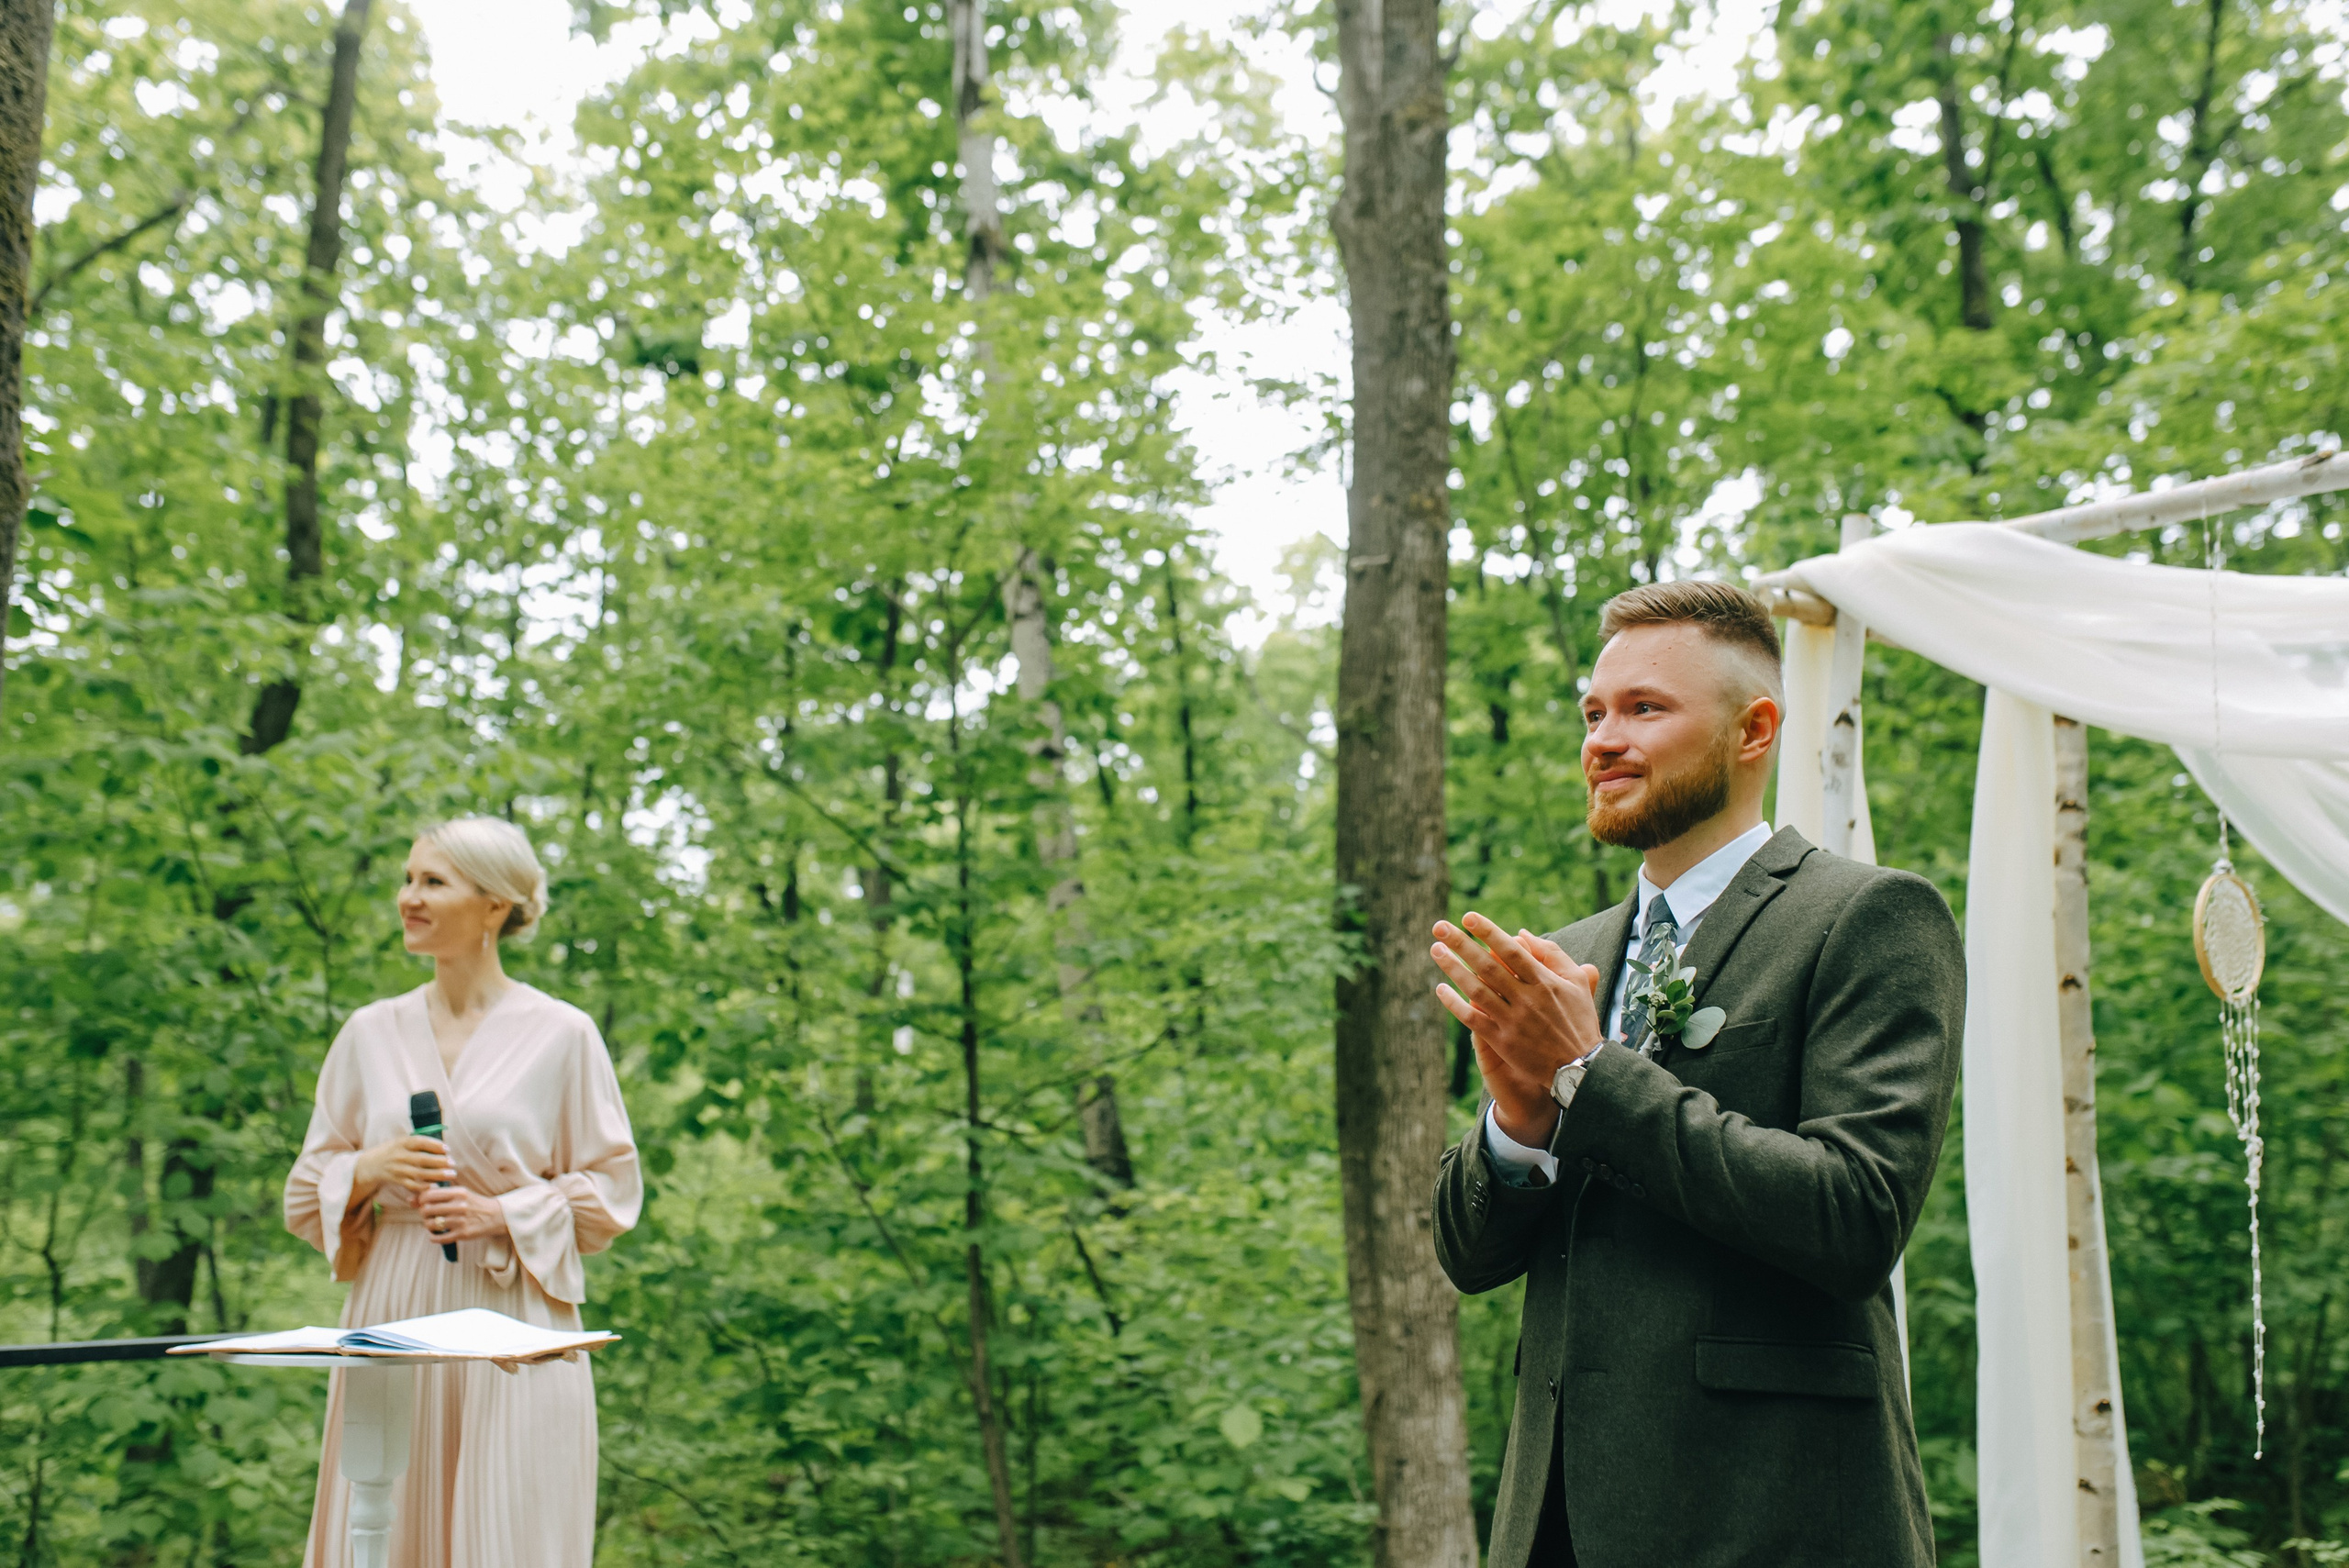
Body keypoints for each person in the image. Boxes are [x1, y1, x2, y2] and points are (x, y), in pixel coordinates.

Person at [1429, 581, 1964, 1568]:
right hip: (1552, 1525)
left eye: (1644, 708)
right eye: (1593, 712)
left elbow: (1856, 1215)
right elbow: (1468, 1257)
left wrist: (1589, 1077)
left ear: (1753, 728)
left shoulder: (1869, 918)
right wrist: (1517, 1123)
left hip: (1774, 1514)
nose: (1601, 738)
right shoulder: (1566, 955)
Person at [284, 817, 641, 1568]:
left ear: (496, 905)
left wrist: (501, 1212)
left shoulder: (563, 1034)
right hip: (394, 1301)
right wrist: (373, 1166)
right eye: (408, 878)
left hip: (513, 1310)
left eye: (432, 882)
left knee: (509, 1527)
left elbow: (613, 1191)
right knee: (382, 1524)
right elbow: (304, 1190)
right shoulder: (367, 1032)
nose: (408, 897)